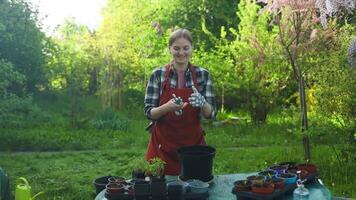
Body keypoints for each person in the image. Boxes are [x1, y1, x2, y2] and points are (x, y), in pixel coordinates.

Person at [144, 28, 216, 176]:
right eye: (176, 48)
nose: (181, 53)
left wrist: (203, 103)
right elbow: (149, 112)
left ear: (192, 49)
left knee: (195, 188)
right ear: (170, 49)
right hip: (162, 146)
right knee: (159, 190)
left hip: (193, 147)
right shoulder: (158, 75)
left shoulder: (203, 75)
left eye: (185, 48)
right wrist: (167, 107)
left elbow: (212, 114)